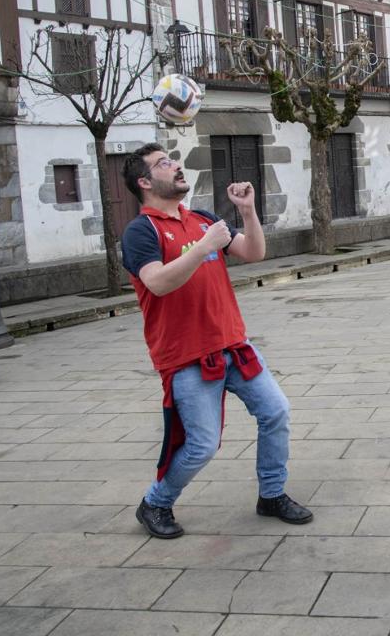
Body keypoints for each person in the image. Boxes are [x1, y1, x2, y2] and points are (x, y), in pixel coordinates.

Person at [121, 143, 312, 539]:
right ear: (144, 182)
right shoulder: (142, 230)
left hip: (234, 345)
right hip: (187, 357)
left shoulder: (202, 219)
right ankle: (155, 502)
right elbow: (156, 282)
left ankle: (271, 494)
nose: (175, 166)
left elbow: (253, 252)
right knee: (202, 445)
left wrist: (247, 212)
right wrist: (205, 247)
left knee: (276, 412)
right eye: (164, 163)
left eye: (173, 160)